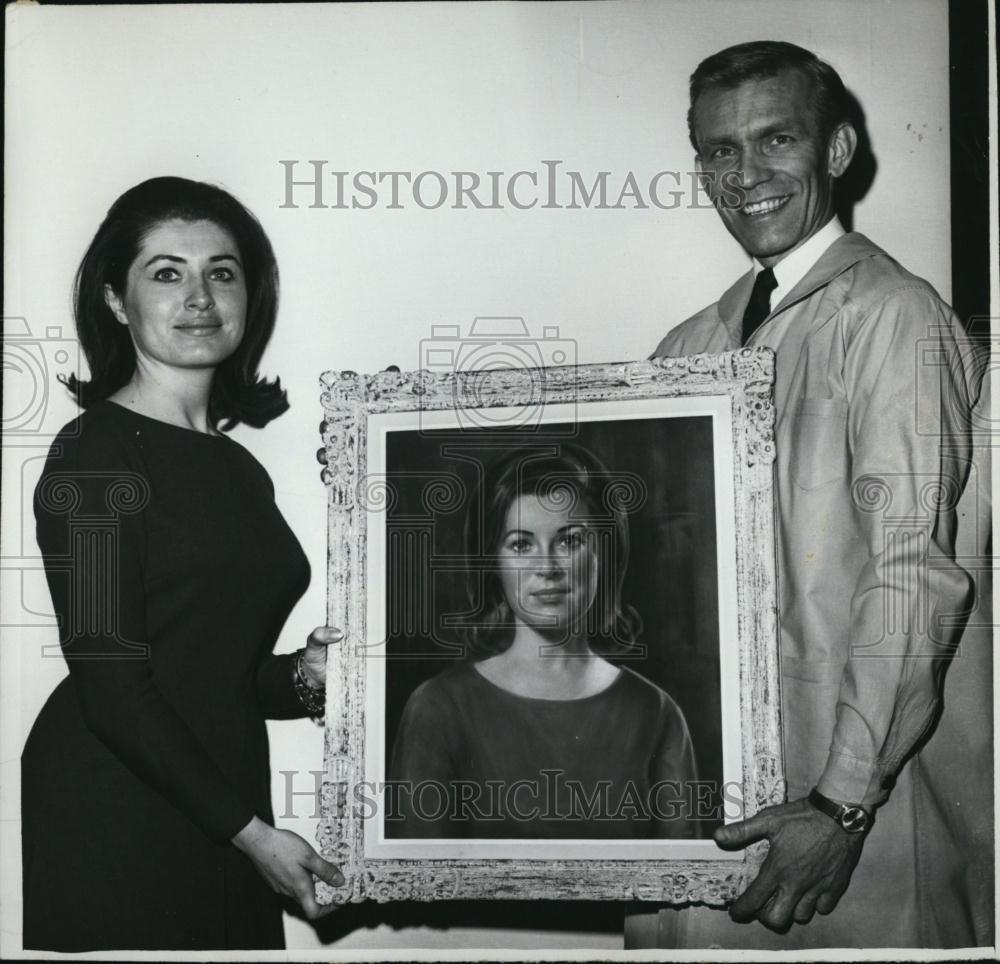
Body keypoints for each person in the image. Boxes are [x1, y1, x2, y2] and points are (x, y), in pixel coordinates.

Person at [627, 41, 987, 949]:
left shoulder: (892, 317)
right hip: (701, 804)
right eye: (719, 151)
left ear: (836, 151)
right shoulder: (689, 343)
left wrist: (842, 807)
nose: (745, 175)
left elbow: (914, 575)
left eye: (775, 139)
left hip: (840, 812)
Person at [22, 177, 343, 951]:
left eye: (220, 272)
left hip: (218, 792)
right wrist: (256, 839)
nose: (199, 296)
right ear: (115, 300)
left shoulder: (237, 465)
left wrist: (305, 673)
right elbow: (114, 688)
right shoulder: (93, 456)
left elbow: (207, 670)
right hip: (119, 800)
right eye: (166, 272)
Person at [388, 443, 698, 839]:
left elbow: (682, 888)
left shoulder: (656, 714)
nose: (547, 567)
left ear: (604, 552)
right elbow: (417, 888)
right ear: (493, 564)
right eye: (521, 545)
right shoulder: (438, 708)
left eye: (570, 541)